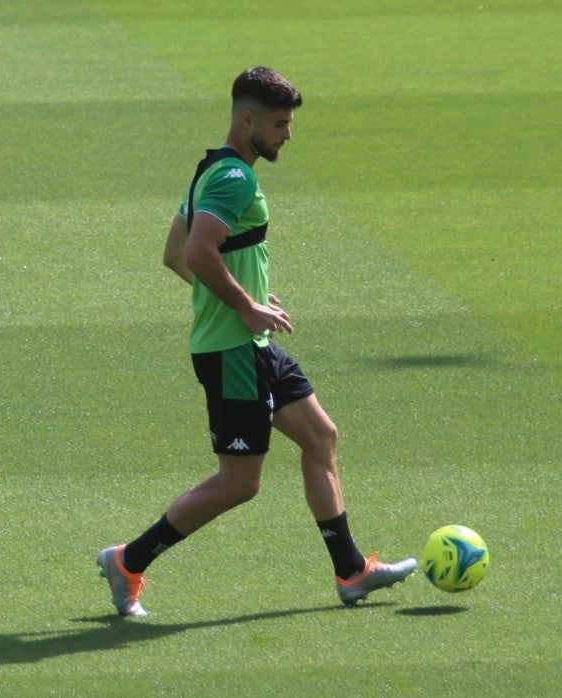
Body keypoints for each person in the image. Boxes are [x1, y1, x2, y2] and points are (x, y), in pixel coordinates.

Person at [98, 66, 415, 616]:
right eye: (279, 124)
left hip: (252, 345)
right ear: (247, 119)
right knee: (239, 483)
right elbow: (196, 255)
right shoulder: (234, 179)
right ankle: (128, 560)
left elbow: (174, 255)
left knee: (321, 436)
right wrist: (244, 307)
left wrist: (249, 304)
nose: (287, 135)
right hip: (232, 352)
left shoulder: (209, 170)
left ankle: (350, 572)